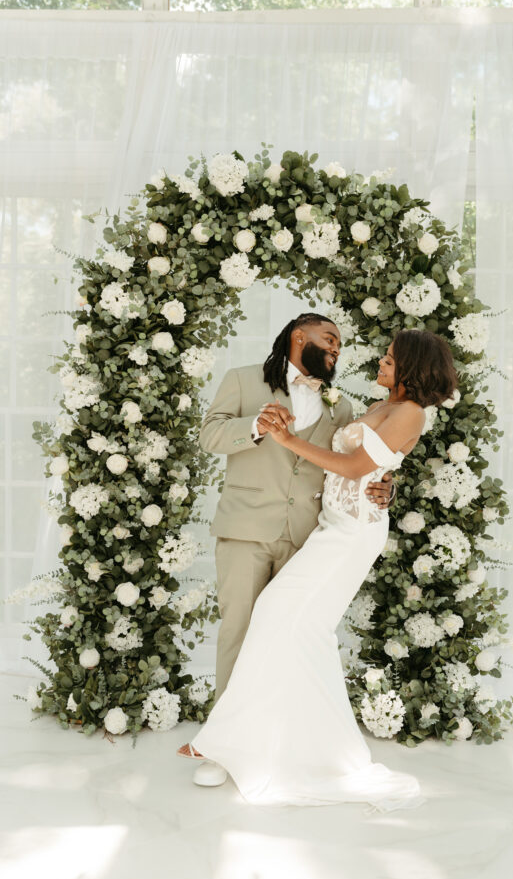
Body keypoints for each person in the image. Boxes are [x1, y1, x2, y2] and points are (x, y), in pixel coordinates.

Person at [178, 327, 458, 814]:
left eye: (390, 359)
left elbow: (355, 466)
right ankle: (273, 745)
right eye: (328, 339)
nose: (377, 361)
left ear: (411, 366)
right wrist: (382, 477)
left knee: (282, 620)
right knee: (287, 631)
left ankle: (232, 739)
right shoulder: (254, 381)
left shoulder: (392, 409)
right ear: (298, 336)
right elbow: (375, 461)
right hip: (302, 524)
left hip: (345, 533)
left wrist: (292, 442)